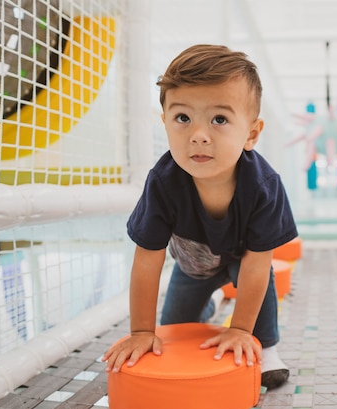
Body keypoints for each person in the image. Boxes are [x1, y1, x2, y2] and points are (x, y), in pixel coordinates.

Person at [102, 44, 298, 389]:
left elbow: (256, 263)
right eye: (183, 118)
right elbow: (148, 260)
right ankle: (212, 304)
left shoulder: (264, 186)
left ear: (251, 133)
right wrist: (142, 332)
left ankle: (268, 349)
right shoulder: (163, 183)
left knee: (259, 276)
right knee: (172, 330)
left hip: (243, 259)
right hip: (192, 267)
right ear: (165, 123)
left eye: (219, 119)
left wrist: (239, 330)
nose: (198, 135)